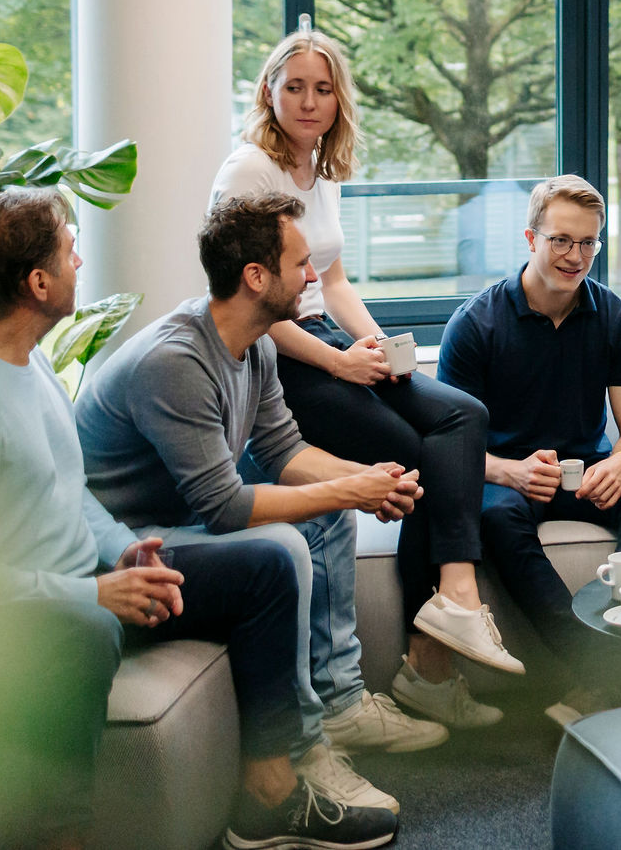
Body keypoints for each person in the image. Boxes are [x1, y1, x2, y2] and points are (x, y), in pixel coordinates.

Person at [0, 188, 395, 850]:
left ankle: (269, 794)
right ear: (37, 283)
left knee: (270, 564)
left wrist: (123, 552)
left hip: (97, 575)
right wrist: (92, 594)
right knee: (85, 630)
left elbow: (71, 492)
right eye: (69, 251)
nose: (81, 261)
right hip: (46, 614)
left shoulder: (28, 360)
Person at [76, 193, 447, 817]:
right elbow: (224, 508)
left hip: (179, 520)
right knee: (283, 544)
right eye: (300, 263)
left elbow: (284, 450)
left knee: (323, 509)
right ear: (255, 276)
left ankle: (339, 702)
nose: (313, 275)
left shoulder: (257, 345)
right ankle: (305, 750)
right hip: (127, 548)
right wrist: (351, 490)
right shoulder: (176, 362)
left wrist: (369, 481)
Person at [212, 25, 519, 735]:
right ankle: (430, 667)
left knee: (464, 417)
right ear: (269, 92)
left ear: (338, 98)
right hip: (283, 356)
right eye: (294, 87)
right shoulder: (248, 171)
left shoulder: (322, 169)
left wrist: (375, 342)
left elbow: (334, 279)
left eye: (322, 89)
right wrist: (337, 361)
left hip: (328, 337)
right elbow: (243, 301)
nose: (309, 101)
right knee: (421, 461)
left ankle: (455, 599)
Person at [436, 175, 621, 709]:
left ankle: (613, 642)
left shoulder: (615, 317)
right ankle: (599, 662)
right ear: (530, 239)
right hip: (505, 474)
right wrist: (509, 471)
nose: (575, 256)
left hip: (587, 469)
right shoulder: (475, 323)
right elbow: (449, 445)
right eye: (561, 240)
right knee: (496, 517)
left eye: (588, 243)